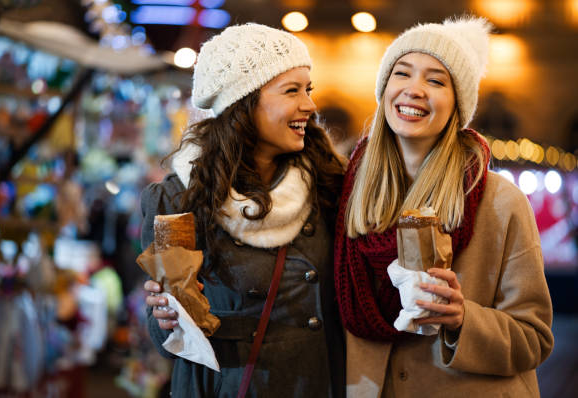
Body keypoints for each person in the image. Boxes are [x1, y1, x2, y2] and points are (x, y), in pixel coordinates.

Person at [334, 16, 554, 397]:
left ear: (457, 105)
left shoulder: (500, 203)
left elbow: (533, 338)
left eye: (435, 80)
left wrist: (463, 319)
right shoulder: (346, 196)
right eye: (402, 73)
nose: (414, 89)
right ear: (385, 89)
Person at [140, 23, 346, 397]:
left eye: (308, 89)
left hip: (317, 383)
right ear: (244, 102)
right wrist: (165, 315)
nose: (310, 105)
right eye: (292, 91)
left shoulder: (329, 184)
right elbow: (168, 339)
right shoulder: (179, 198)